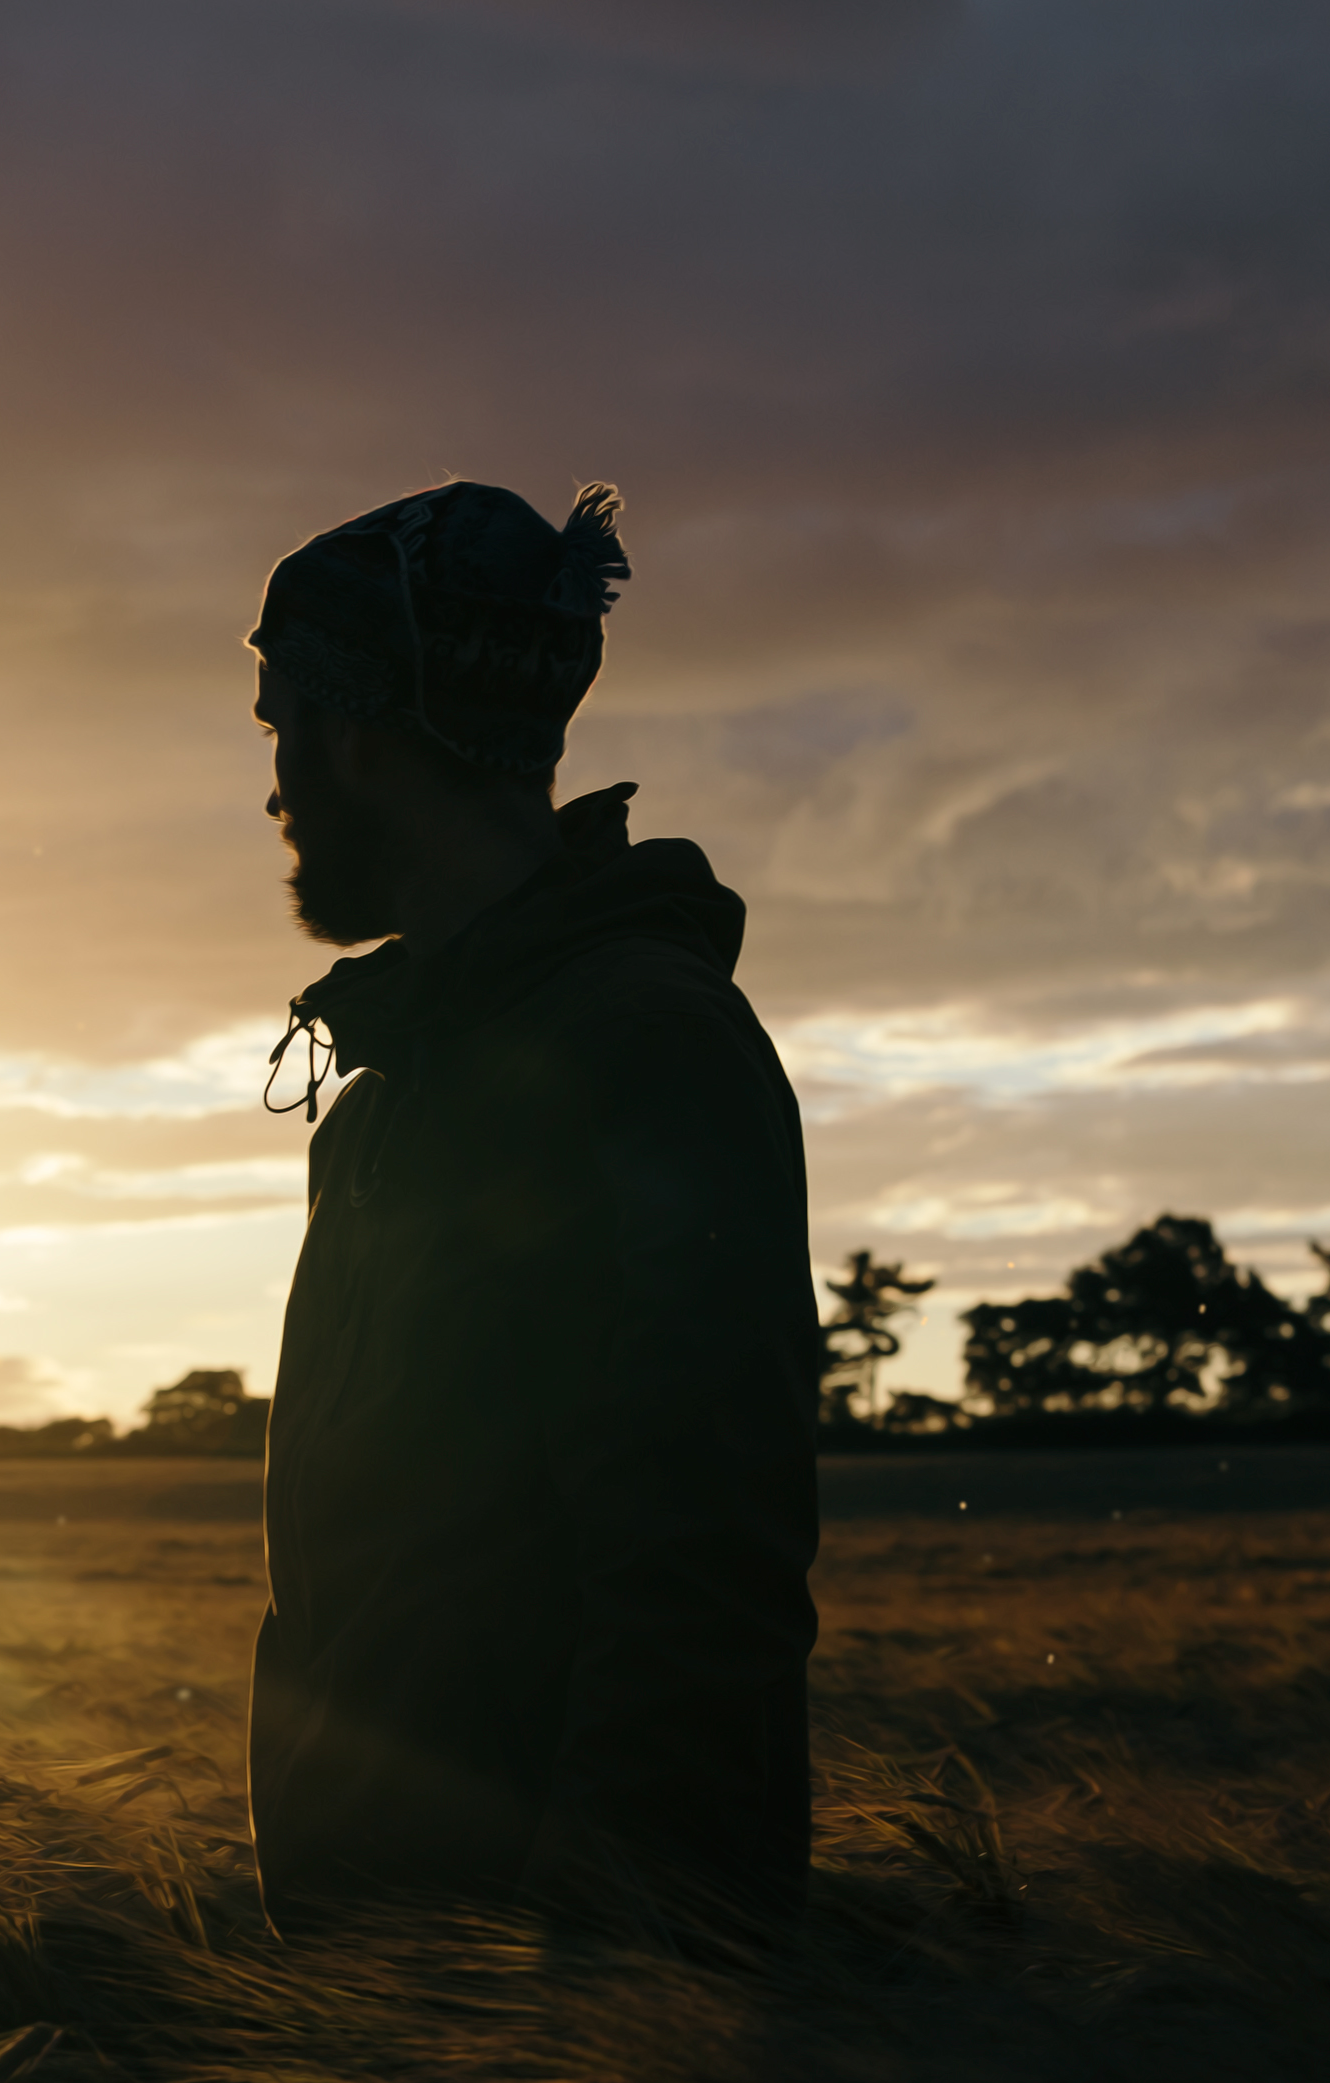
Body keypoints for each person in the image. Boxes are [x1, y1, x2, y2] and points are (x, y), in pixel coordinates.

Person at [242, 478, 817, 1933]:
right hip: (377, 1971)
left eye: (283, 724)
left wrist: (617, 1979)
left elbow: (698, 1563)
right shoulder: (379, 1108)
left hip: (544, 1998)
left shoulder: (642, 1048)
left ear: (364, 728)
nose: (273, 781)